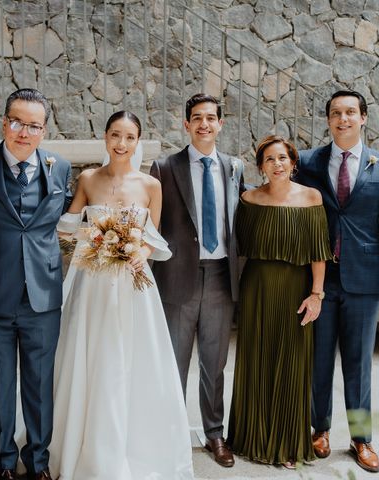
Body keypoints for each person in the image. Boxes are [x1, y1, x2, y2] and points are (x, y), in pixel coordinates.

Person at [49, 111, 194, 479]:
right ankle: (83, 447)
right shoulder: (87, 179)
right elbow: (67, 230)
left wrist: (135, 253)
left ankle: (132, 448)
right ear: (105, 137)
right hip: (91, 280)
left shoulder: (150, 185)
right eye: (116, 135)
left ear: (138, 140)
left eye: (129, 137)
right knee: (90, 353)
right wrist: (94, 239)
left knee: (130, 359)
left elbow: (154, 238)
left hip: (132, 282)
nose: (121, 144)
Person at [0, 89, 72, 480]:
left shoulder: (60, 169)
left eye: (34, 125)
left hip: (43, 295)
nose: (25, 133)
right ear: (4, 123)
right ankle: (3, 461)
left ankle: (38, 462)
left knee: (40, 386)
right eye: (17, 122)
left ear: (44, 130)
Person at [296, 90, 379, 473]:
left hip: (363, 280)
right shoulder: (309, 162)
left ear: (363, 118)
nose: (342, 119)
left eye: (350, 112)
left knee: (359, 364)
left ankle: (361, 439)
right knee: (319, 358)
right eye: (335, 113)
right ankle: (319, 429)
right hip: (320, 277)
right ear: (328, 120)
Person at [149, 93, 244, 467]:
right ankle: (168, 432)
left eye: (211, 117)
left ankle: (214, 433)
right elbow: (152, 225)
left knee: (215, 362)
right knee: (174, 362)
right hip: (177, 276)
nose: (204, 124)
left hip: (222, 275)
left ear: (221, 124)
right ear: (186, 124)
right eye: (197, 118)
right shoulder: (164, 167)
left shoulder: (234, 167)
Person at [226, 135, 332, 469]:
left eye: (283, 158)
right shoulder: (249, 199)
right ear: (261, 166)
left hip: (296, 291)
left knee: (292, 362)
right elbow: (238, 250)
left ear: (293, 162)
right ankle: (250, 438)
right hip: (257, 288)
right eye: (270, 159)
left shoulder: (311, 198)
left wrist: (317, 295)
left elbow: (319, 252)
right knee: (256, 359)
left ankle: (286, 444)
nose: (277, 164)